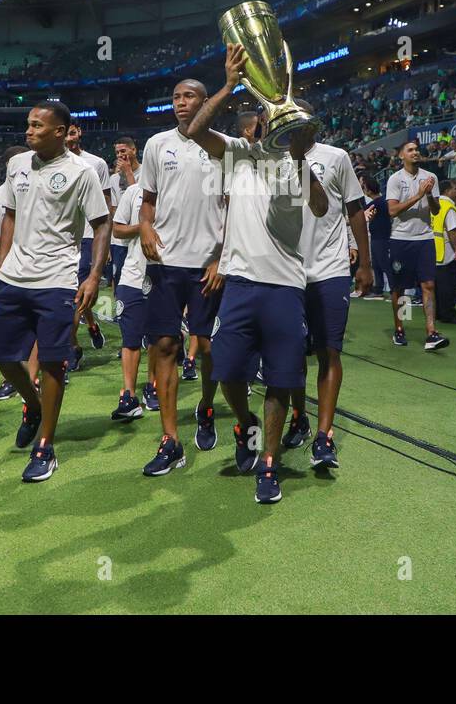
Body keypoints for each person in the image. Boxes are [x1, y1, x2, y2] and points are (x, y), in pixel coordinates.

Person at [185, 45, 329, 504]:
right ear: (263, 122)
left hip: (287, 285)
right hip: (241, 283)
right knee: (227, 370)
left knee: (282, 379)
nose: (285, 127)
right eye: (279, 118)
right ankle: (244, 423)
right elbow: (194, 129)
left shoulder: (298, 165)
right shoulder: (238, 154)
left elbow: (323, 207)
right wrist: (228, 84)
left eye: (296, 124)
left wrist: (303, 159)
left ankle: (268, 463)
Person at [0, 101, 109, 483]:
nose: (29, 130)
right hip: (12, 277)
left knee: (54, 363)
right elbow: (9, 212)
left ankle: (45, 445)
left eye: (38, 125)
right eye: (28, 124)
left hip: (56, 279)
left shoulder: (81, 173)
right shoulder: (18, 164)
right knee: (3, 357)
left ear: (60, 132)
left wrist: (92, 278)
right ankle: (34, 405)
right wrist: (2, 260)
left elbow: (102, 224)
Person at [138, 78, 229, 473]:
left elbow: (235, 207)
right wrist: (144, 227)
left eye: (189, 96)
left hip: (209, 263)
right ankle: (169, 438)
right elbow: (147, 202)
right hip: (165, 262)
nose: (180, 102)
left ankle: (206, 405)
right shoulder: (158, 144)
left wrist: (221, 259)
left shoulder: (223, 147)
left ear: (206, 103)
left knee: (207, 346)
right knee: (163, 346)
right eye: (175, 96)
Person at [283, 116, 372, 468]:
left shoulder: (336, 157)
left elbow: (355, 211)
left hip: (331, 269)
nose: (293, 131)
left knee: (328, 351)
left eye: (299, 124)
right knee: (290, 356)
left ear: (313, 128)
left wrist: (365, 264)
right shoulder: (274, 160)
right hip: (286, 271)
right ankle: (298, 417)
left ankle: (324, 436)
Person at [385, 141, 450, 351]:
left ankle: (431, 333)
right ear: (401, 155)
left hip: (425, 238)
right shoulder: (395, 179)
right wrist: (418, 195)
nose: (415, 153)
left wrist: (429, 194)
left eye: (416, 150)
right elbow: (392, 211)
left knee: (428, 284)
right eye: (410, 150)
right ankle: (400, 328)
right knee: (400, 288)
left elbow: (436, 210)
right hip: (401, 239)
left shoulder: (430, 178)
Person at [0, 145, 35, 401]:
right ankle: (13, 380)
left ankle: (33, 379)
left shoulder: (37, 190)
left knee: (35, 329)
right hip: (5, 270)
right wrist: (10, 240)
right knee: (6, 333)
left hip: (36, 268)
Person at [109, 177, 159, 419]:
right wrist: (143, 227)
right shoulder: (133, 192)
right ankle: (128, 395)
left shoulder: (178, 188)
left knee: (157, 337)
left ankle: (153, 386)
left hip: (163, 273)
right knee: (130, 337)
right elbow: (116, 228)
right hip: (132, 275)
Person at [65, 121, 112, 372]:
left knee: (76, 294)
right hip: (62, 241)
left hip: (87, 237)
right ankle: (91, 323)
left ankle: (71, 347)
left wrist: (108, 244)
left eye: (73, 132)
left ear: (79, 132)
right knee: (69, 293)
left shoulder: (97, 164)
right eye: (66, 133)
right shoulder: (50, 163)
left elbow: (106, 206)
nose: (70, 138)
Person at [432, 181, 456, 325]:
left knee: (437, 286)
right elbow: (452, 230)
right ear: (447, 191)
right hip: (448, 252)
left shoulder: (434, 205)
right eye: (454, 188)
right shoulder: (449, 207)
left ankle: (438, 313)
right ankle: (449, 315)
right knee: (450, 286)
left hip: (435, 251)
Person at [109, 135, 140, 287]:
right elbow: (114, 210)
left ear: (134, 150)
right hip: (119, 242)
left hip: (139, 238)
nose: (120, 155)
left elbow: (139, 202)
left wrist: (128, 173)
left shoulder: (147, 172)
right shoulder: (114, 179)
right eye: (117, 153)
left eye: (123, 151)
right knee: (119, 282)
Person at [361, 176, 390, 299]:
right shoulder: (382, 201)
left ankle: (393, 288)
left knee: (383, 264)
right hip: (378, 236)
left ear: (369, 190)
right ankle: (378, 289)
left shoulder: (376, 203)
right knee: (377, 264)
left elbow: (362, 214)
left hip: (380, 237)